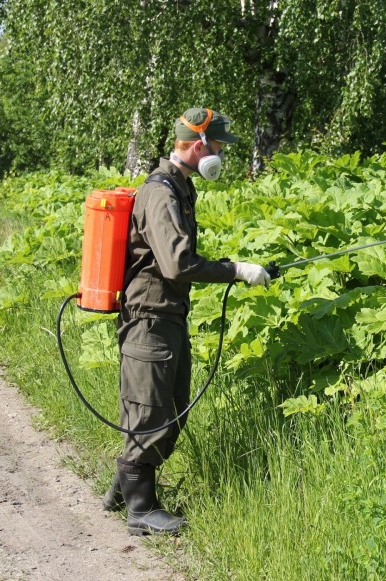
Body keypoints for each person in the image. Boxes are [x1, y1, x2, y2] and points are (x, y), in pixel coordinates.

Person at [101, 107, 271, 536]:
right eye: (216, 147)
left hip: (169, 317)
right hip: (149, 319)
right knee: (152, 412)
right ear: (198, 146)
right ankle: (140, 509)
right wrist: (234, 270)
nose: (219, 155)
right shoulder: (160, 192)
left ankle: (124, 484)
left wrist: (243, 268)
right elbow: (177, 264)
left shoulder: (181, 187)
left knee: (173, 411)